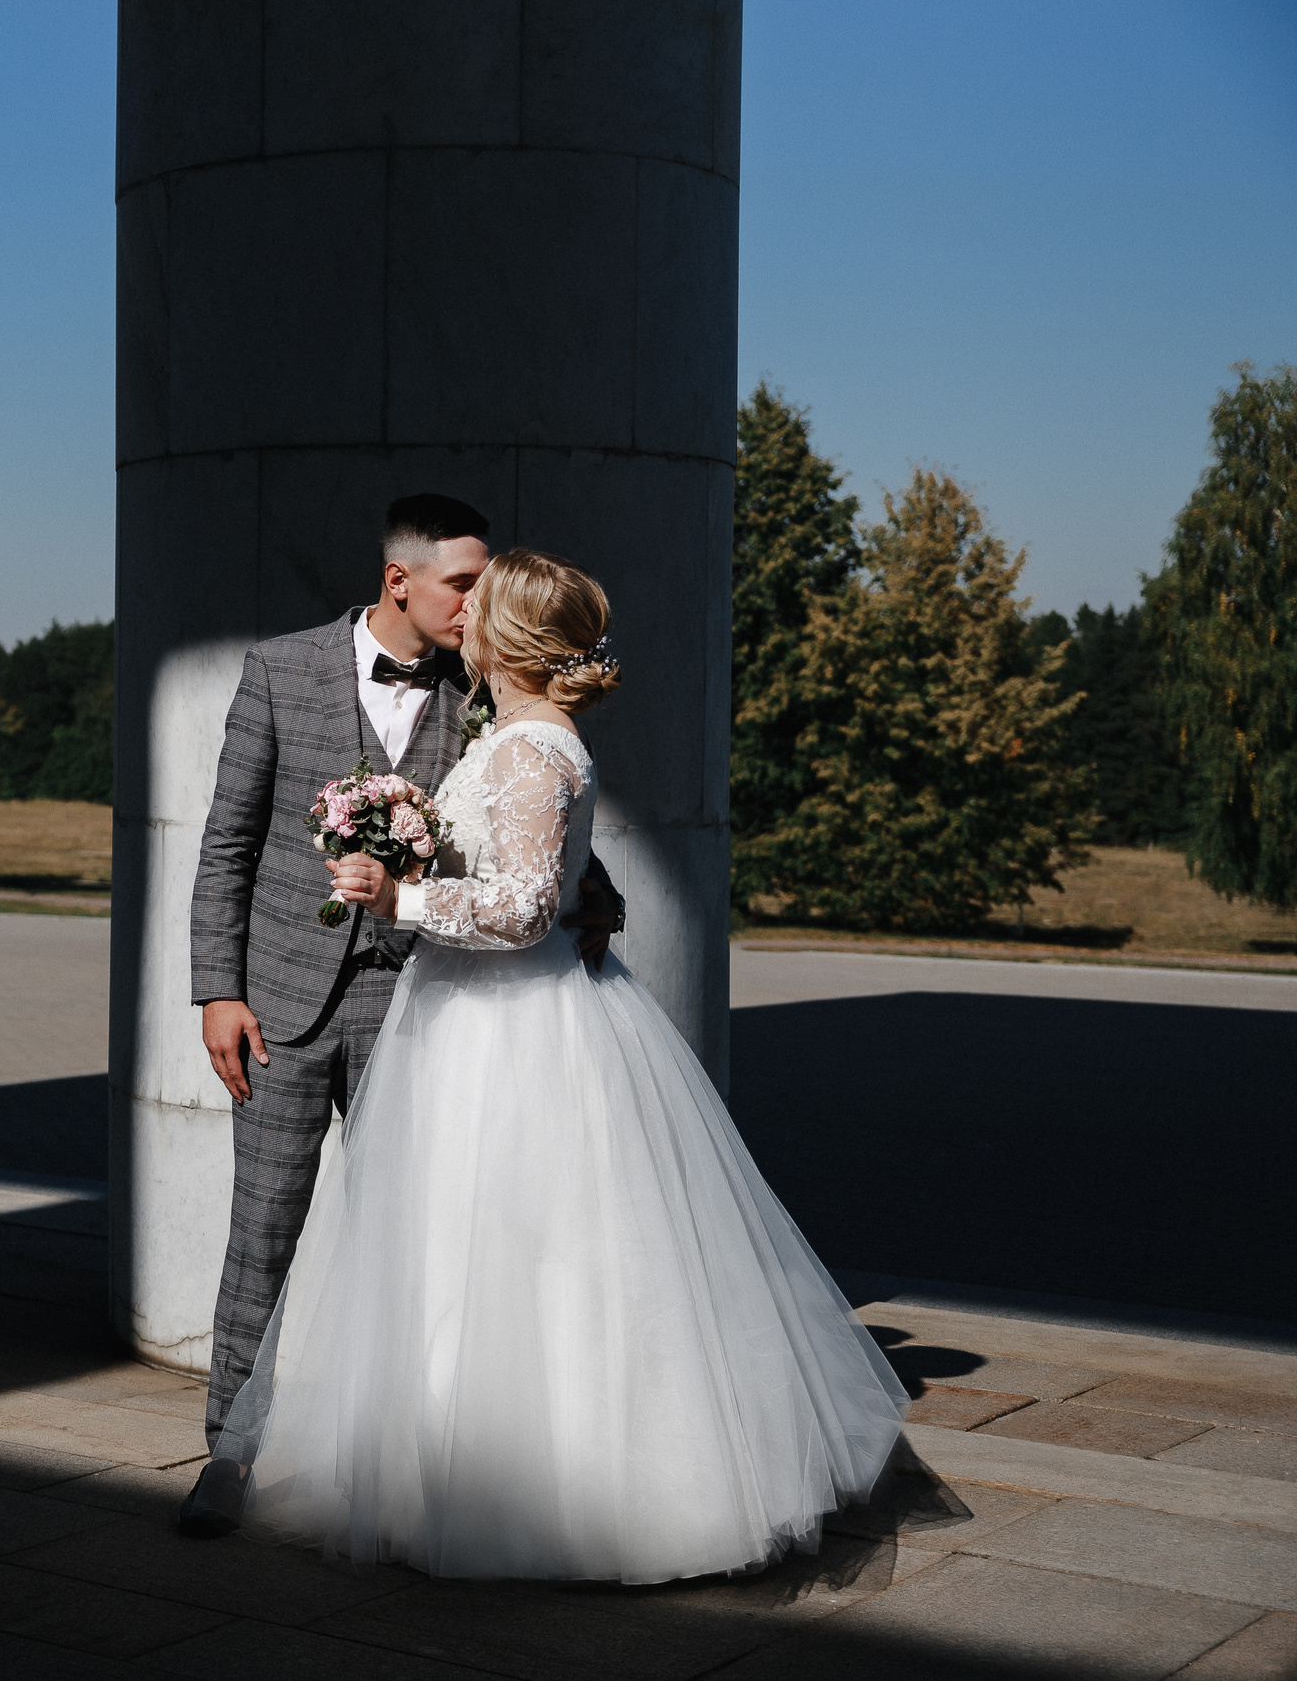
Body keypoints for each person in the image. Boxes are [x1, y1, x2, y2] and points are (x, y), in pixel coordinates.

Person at [206, 550, 909, 1583]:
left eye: (479, 610)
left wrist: (396, 900)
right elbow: (535, 875)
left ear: (509, 639)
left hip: (511, 1030)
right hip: (462, 1019)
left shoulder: (533, 748)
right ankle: (433, 1477)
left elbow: (524, 911)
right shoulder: (513, 735)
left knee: (526, 1255)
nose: (464, 624)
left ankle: (547, 1496)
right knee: (451, 1249)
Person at [178, 496, 623, 1538]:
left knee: (412, 1244)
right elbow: (225, 846)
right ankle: (227, 1457)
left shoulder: (488, 696)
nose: (476, 607)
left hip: (423, 1009)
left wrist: (594, 895)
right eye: (464, 585)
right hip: (280, 1005)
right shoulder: (278, 670)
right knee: (265, 1234)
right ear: (400, 581)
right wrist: (217, 991)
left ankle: (384, 1459)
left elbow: (530, 822)